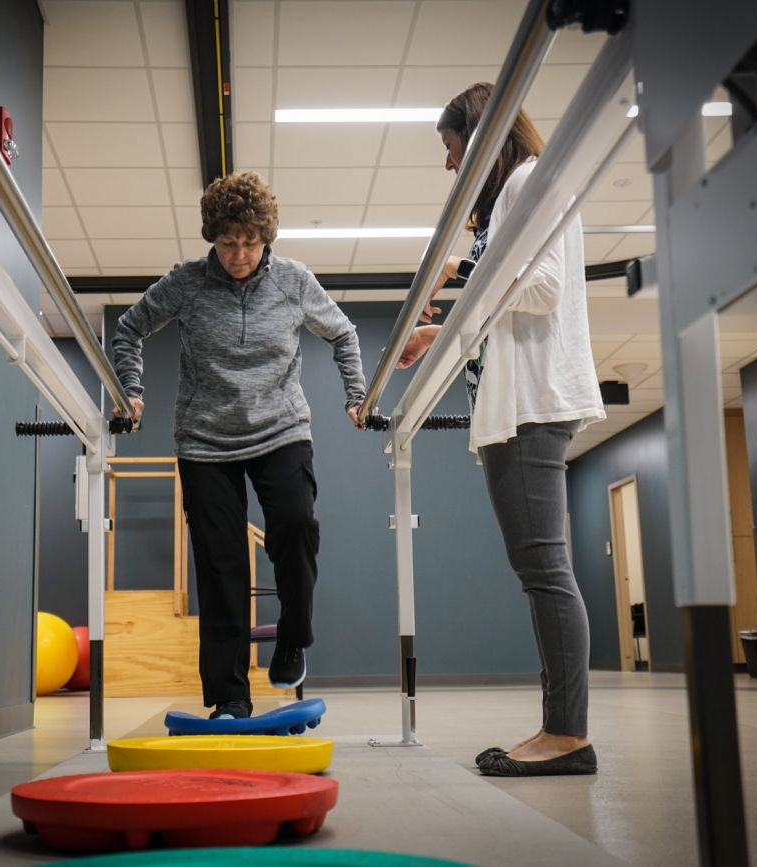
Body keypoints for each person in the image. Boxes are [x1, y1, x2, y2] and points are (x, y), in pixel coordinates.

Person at [398, 84, 605, 776]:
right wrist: (447, 315)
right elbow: (509, 293)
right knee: (540, 570)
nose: (449, 165)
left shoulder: (524, 180)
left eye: (453, 147)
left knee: (545, 571)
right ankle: (562, 729)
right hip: (522, 400)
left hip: (532, 403)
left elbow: (541, 289)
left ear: (484, 138)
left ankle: (567, 734)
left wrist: (468, 278)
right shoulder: (519, 189)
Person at [111, 171, 367, 720]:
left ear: (266, 237)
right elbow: (129, 329)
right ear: (213, 238)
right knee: (221, 564)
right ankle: (230, 697)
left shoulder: (294, 281)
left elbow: (343, 332)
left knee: (296, 527)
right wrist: (130, 389)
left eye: (251, 242)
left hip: (281, 429)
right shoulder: (185, 283)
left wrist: (356, 394)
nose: (239, 254)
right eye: (228, 242)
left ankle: (292, 638)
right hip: (205, 440)